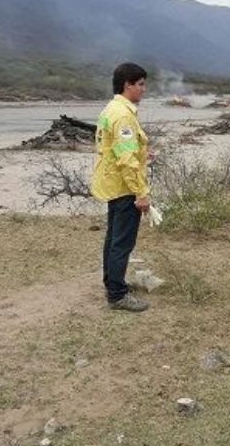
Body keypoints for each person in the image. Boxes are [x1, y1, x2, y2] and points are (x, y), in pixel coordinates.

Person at [91, 62, 151, 312]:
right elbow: (126, 159)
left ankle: (112, 283)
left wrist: (143, 155)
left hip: (113, 185)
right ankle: (117, 295)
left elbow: (118, 149)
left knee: (113, 238)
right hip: (124, 187)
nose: (144, 90)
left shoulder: (111, 109)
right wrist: (141, 193)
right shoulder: (123, 114)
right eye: (141, 84)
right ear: (128, 85)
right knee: (122, 242)